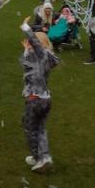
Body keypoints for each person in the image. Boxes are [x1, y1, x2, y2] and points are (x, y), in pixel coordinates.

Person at [20, 16, 59, 173]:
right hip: (45, 99)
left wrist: (25, 27)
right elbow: (26, 66)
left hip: (34, 99)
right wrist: (26, 50)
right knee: (41, 128)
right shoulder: (45, 58)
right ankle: (45, 156)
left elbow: (35, 46)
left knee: (30, 129)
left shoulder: (41, 54)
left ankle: (38, 158)